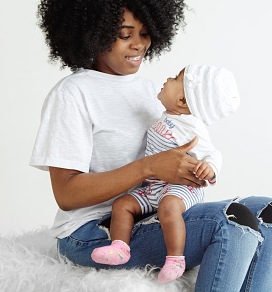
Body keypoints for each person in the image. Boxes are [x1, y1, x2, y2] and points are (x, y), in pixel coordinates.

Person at [30, 0, 272, 291]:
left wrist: (194, 169)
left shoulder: (147, 90)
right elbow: (66, 193)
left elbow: (179, 144)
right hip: (92, 231)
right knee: (229, 222)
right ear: (93, 34)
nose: (139, 44)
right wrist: (150, 167)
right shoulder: (73, 94)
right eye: (125, 35)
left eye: (144, 33)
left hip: (150, 210)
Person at [91, 64, 240, 283]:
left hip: (182, 188)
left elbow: (213, 152)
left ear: (183, 101)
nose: (168, 78)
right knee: (122, 204)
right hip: (155, 187)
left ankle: (176, 259)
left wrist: (210, 168)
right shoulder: (166, 117)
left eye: (175, 78)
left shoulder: (192, 126)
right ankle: (120, 247)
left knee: (168, 207)